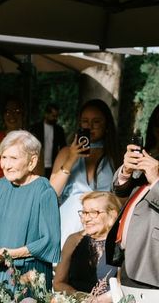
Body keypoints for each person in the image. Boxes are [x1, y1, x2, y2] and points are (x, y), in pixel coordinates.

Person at [0, 130, 60, 291]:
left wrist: (11, 254)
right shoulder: (2, 186)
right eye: (4, 157)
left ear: (32, 162)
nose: (6, 165)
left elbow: (50, 240)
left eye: (14, 158)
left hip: (28, 275)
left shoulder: (44, 192)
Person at [50, 99, 122, 246]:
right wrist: (71, 159)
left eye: (96, 122)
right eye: (85, 121)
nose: (89, 127)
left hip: (103, 230)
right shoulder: (65, 153)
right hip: (67, 227)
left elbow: (122, 200)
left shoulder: (116, 155)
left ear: (106, 125)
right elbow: (50, 194)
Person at [105, 140, 159, 298]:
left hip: (151, 267)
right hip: (130, 262)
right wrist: (126, 171)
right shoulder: (154, 155)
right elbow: (120, 192)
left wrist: (156, 181)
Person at [53, 191, 121, 301]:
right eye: (84, 212)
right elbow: (58, 283)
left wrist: (97, 301)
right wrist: (81, 298)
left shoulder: (121, 243)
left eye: (94, 212)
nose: (86, 218)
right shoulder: (74, 240)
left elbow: (121, 288)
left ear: (112, 215)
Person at [30, 102, 67, 177]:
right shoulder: (35, 128)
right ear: (46, 114)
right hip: (38, 163)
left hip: (53, 165)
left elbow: (63, 147)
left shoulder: (59, 130)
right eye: (53, 116)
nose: (55, 118)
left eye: (57, 116)